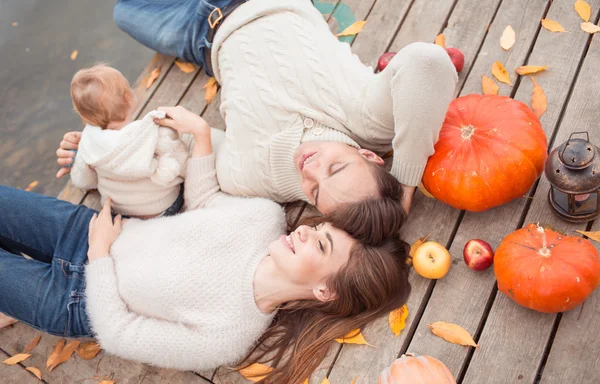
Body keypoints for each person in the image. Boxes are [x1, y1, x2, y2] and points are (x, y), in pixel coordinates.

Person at [0, 112, 411, 383]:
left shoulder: (226, 336)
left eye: (321, 246)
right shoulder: (264, 219)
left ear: (325, 290)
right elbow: (204, 202)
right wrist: (200, 135)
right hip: (86, 229)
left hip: (73, 299)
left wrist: (101, 259)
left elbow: (118, 332)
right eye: (320, 229)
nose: (307, 232)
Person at [56, 0, 457, 228]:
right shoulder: (374, 123)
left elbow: (184, 144)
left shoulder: (256, 179)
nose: (310, 167)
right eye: (335, 167)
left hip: (204, 32)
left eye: (315, 191)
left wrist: (101, 143)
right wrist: (406, 182)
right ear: (369, 155)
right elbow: (427, 62)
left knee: (127, 7)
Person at [70, 63, 188, 218]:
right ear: (128, 98)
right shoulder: (153, 133)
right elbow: (184, 165)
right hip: (165, 206)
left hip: (121, 212)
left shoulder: (88, 144)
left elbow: (82, 180)